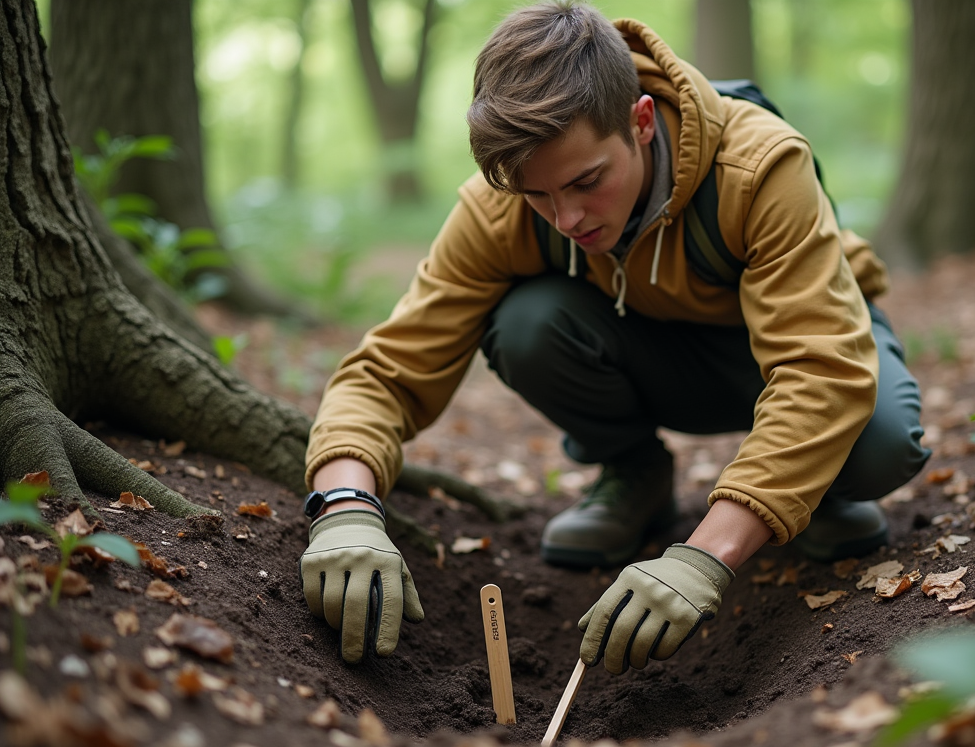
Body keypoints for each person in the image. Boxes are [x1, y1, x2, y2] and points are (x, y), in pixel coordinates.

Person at [300, 1, 930, 670]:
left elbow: (820, 371)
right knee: (529, 323)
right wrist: (344, 505)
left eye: (586, 182)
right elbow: (390, 371)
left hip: (784, 353)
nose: (566, 217)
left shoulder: (759, 166)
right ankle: (635, 475)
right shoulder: (502, 207)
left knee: (879, 447)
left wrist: (703, 555)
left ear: (642, 122)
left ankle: (813, 494)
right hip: (644, 354)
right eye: (538, 195)